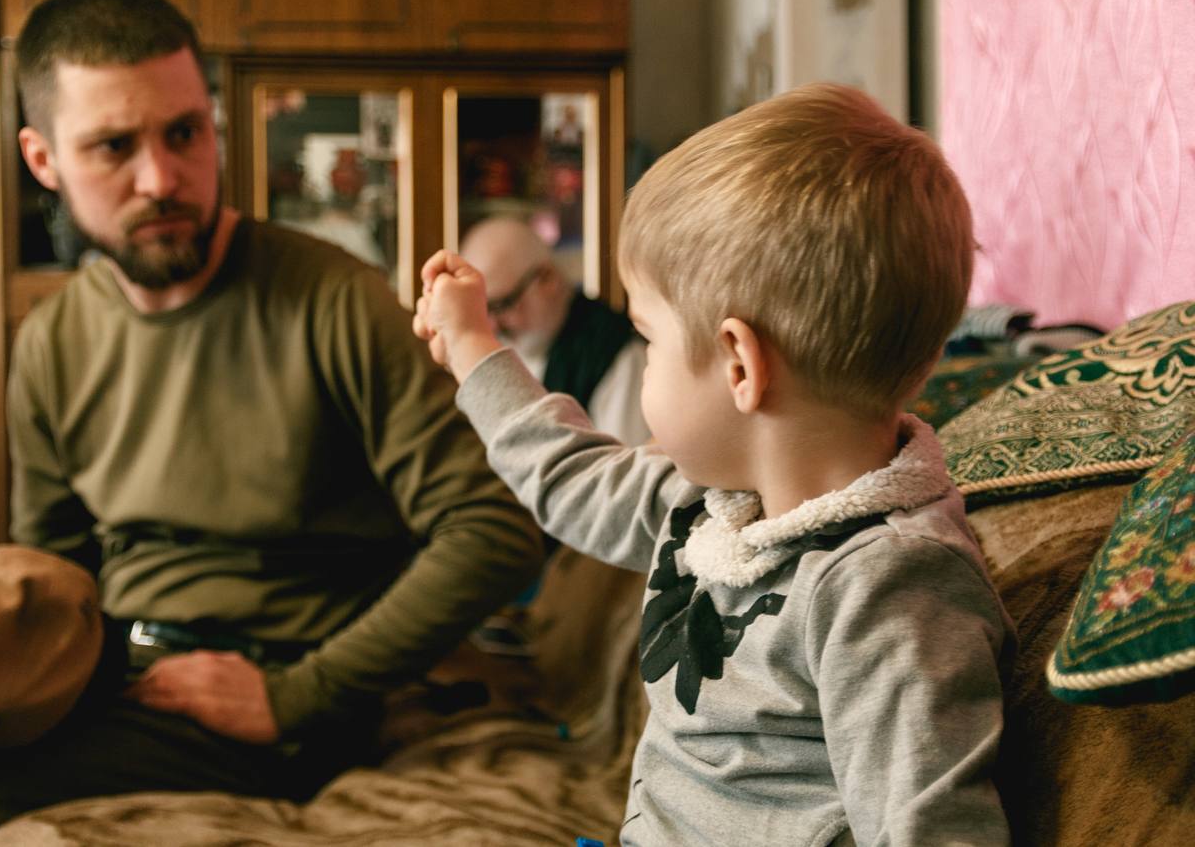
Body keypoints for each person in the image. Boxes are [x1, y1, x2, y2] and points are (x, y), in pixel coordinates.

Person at [0, 0, 543, 843]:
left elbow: (495, 524)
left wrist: (299, 693)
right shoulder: (54, 337)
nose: (162, 178)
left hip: (270, 693)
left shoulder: (334, 300)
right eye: (114, 146)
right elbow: (55, 566)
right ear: (42, 157)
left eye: (185, 133)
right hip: (103, 678)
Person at [414, 83, 1015, 845]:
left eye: (650, 338)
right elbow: (568, 477)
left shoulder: (888, 589)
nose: (643, 364)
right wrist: (473, 351)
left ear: (738, 364)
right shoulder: (711, 499)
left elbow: (934, 829)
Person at [460, 216, 651, 446]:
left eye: (504, 304)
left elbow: (621, 470)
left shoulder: (615, 352)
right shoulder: (505, 344)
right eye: (483, 310)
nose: (492, 325)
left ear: (547, 279)